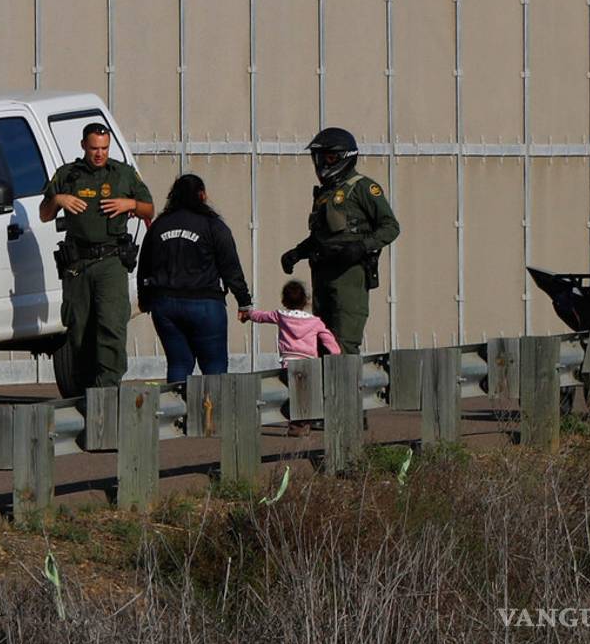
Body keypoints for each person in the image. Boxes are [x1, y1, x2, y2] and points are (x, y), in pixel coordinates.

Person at [40, 122, 154, 389]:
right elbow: (44, 214)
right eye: (94, 148)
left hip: (111, 262)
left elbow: (149, 210)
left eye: (104, 148)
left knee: (111, 326)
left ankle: (108, 390)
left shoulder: (122, 174)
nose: (99, 154)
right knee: (79, 330)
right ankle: (83, 390)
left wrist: (131, 205)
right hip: (78, 264)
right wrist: (58, 200)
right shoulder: (67, 175)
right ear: (83, 146)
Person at [280, 127, 399, 354]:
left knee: (343, 343)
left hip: (348, 274)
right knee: (321, 342)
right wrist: (297, 253)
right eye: (320, 158)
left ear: (344, 157)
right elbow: (320, 236)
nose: (323, 163)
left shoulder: (362, 187)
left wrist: (361, 247)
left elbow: (391, 226)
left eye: (330, 157)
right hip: (323, 274)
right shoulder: (324, 194)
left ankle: (347, 389)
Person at [137, 174, 252, 384]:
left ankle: (178, 414)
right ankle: (213, 415)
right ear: (202, 195)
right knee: (214, 367)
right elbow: (231, 267)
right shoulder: (213, 226)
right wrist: (244, 301)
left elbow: (144, 266)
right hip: (205, 305)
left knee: (179, 364)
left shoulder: (159, 226)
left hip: (165, 306)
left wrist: (145, 300)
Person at [243, 279, 340, 436]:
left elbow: (262, 316)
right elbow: (328, 338)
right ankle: (305, 423)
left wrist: (249, 315)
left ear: (284, 300)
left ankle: (295, 426)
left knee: (292, 394)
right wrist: (336, 354)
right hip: (309, 363)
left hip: (289, 362)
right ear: (306, 301)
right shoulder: (314, 321)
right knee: (306, 394)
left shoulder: (280, 316)